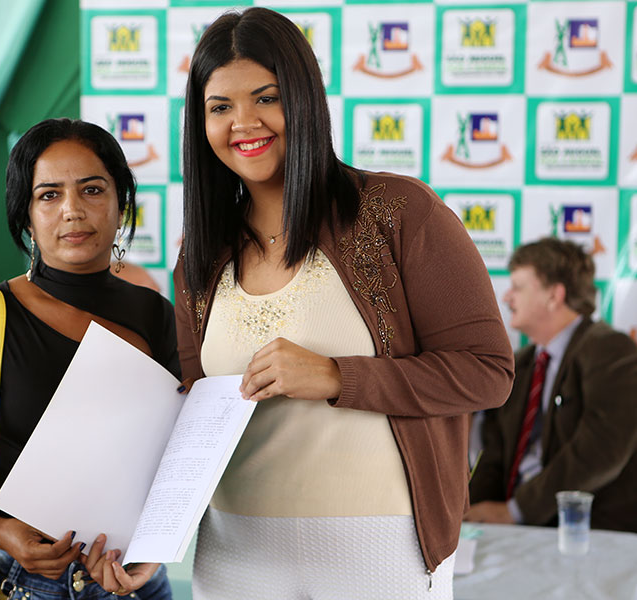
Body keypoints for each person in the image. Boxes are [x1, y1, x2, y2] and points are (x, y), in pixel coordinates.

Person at [174, 8, 514, 599]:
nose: (243, 123)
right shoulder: (201, 258)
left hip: (380, 548)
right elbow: (187, 408)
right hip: (233, 554)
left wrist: (336, 376)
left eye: (266, 97)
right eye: (219, 106)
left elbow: (487, 372)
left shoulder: (396, 212)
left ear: (304, 100)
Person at [0, 119, 179, 599]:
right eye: (49, 195)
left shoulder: (157, 315)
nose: (72, 210)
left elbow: (179, 459)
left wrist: (151, 552)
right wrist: (1, 531)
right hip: (18, 580)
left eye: (92, 189)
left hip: (133, 580)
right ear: (26, 215)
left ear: (120, 204)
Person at [467, 238, 637, 533]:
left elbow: (601, 450)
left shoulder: (611, 349)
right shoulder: (519, 364)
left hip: (588, 537)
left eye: (518, 287)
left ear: (554, 295)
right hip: (518, 532)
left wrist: (515, 511)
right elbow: (495, 454)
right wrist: (467, 516)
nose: (506, 297)